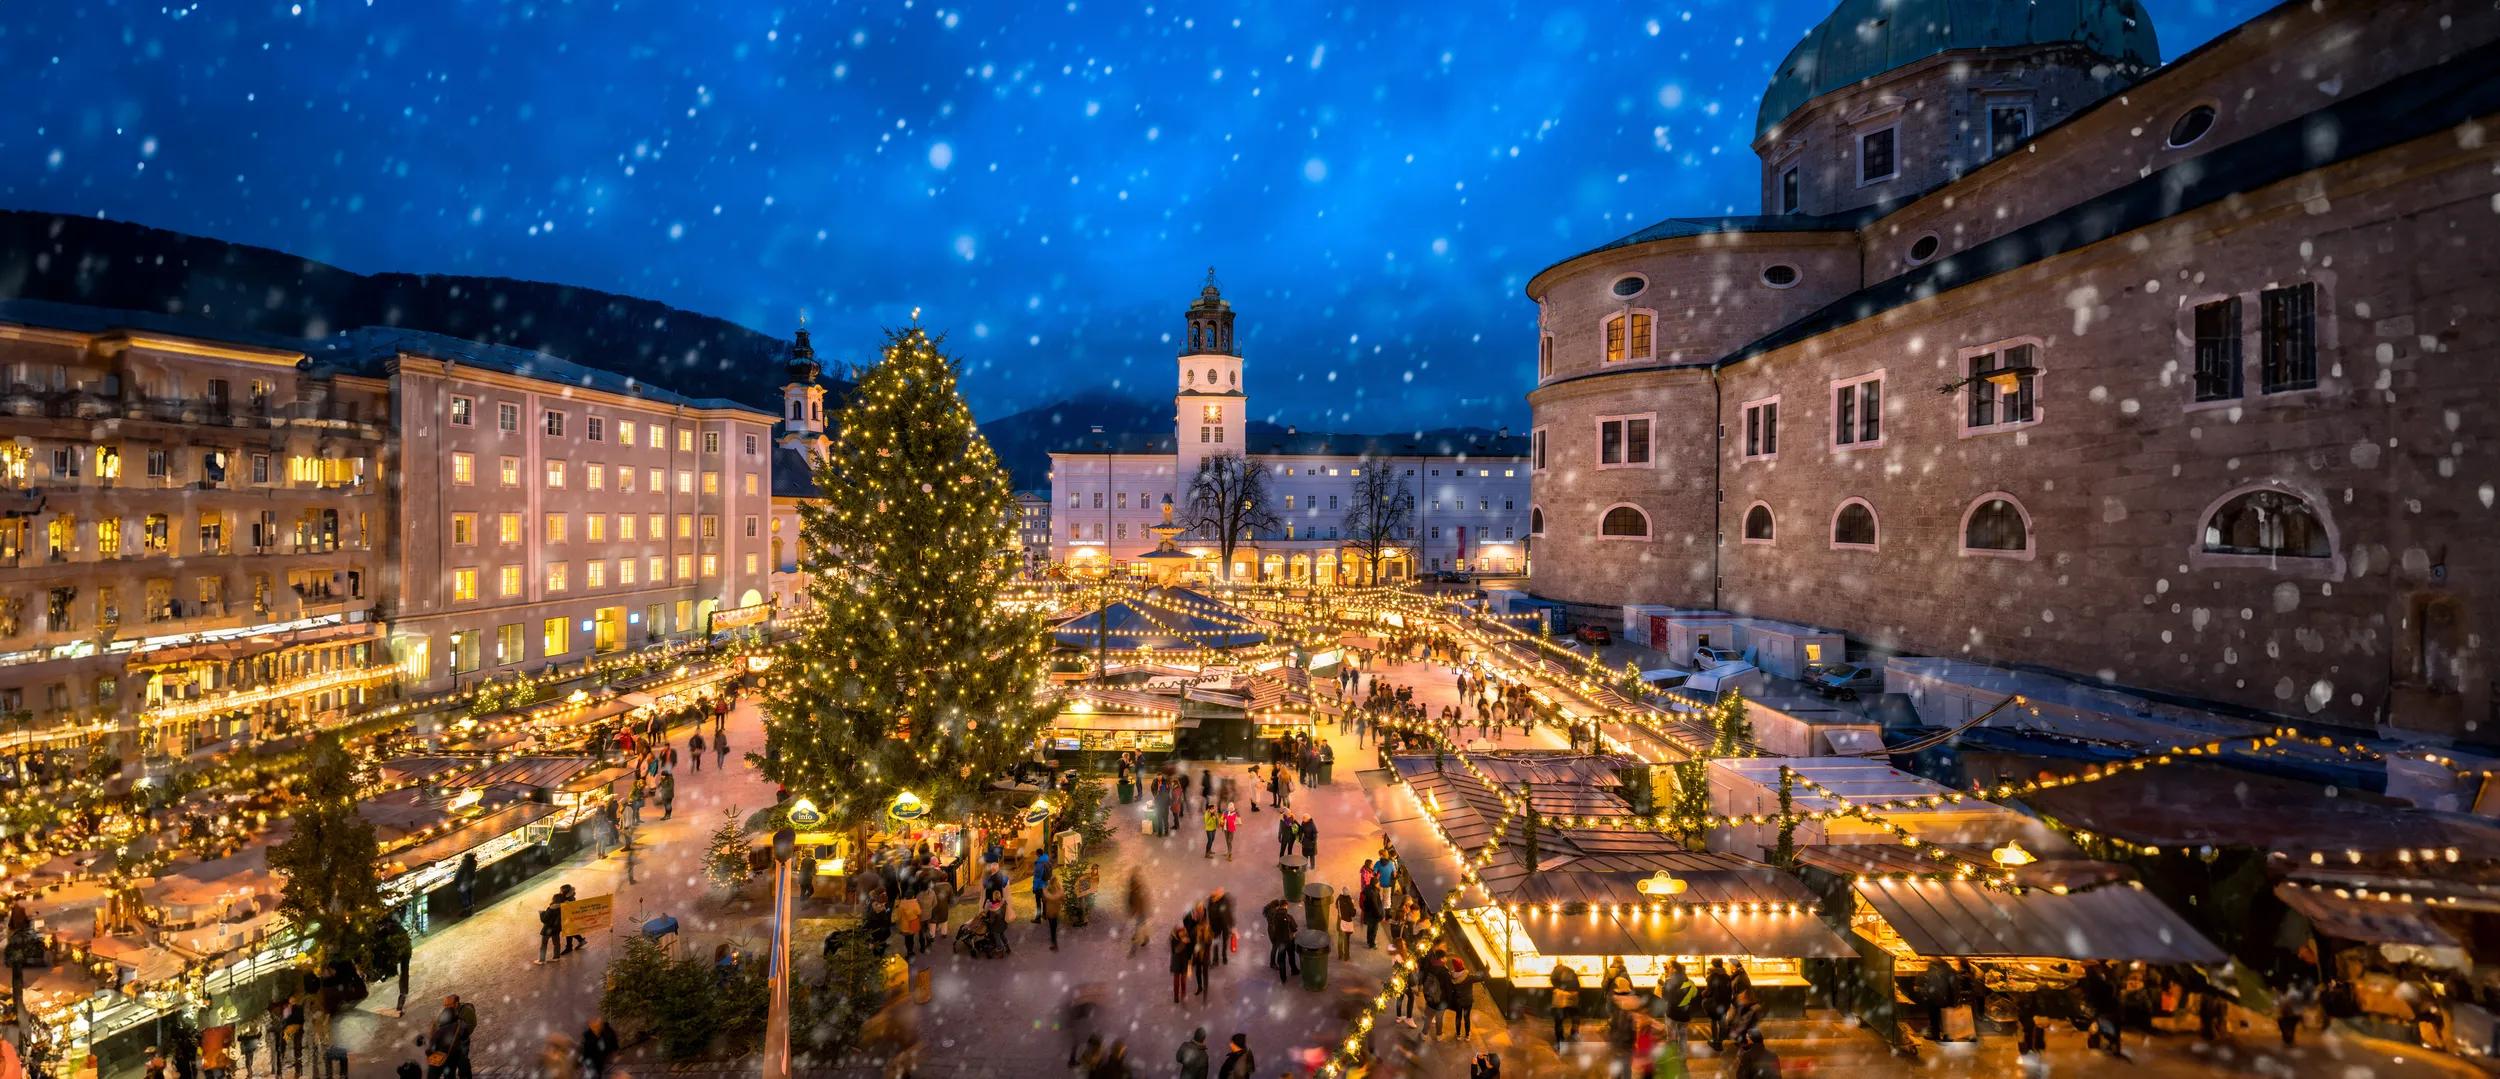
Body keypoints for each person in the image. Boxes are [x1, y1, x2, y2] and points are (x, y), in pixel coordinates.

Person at [1550, 959, 1582, 1045]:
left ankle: (1560, 1038)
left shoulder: (1555, 971)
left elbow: (1553, 981)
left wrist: (1559, 988)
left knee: (1559, 1018)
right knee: (1575, 1014)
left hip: (1561, 996)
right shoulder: (1569, 970)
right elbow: (1577, 983)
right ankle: (1574, 1033)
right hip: (1574, 993)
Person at [1207, 889, 1236, 966]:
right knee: (1215, 943)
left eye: (1220, 894)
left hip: (1225, 925)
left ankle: (1224, 956)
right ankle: (1215, 960)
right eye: (1217, 894)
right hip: (1215, 926)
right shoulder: (1211, 901)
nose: (1218, 895)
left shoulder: (1225, 901)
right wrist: (1210, 925)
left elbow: (1229, 914)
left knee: (1225, 942)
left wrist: (1232, 926)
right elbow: (1209, 914)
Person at [894, 889, 924, 960]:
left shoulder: (901, 904)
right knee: (911, 937)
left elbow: (898, 916)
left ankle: (909, 952)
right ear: (913, 896)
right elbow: (919, 913)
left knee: (907, 939)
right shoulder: (915, 903)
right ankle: (911, 951)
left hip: (905, 926)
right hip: (913, 925)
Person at [1168, 925, 1193, 1004]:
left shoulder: (1186, 937)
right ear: (1177, 932)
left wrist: (1190, 959)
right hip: (1176, 961)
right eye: (1180, 932)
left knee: (1183, 979)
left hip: (1184, 961)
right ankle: (1176, 996)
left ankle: (1183, 994)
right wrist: (1183, 942)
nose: (1182, 933)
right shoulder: (1173, 939)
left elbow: (1190, 950)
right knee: (1176, 979)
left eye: (1183, 932)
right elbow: (1176, 950)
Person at [1041, 875, 1066, 951]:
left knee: (1052, 927)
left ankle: (1054, 943)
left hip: (1050, 912)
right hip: (1056, 911)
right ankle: (1054, 940)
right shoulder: (1059, 889)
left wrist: (1044, 891)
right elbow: (1063, 898)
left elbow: (1044, 899)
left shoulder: (1048, 890)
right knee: (1054, 925)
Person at [1334, 891, 1356, 961]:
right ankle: (1346, 956)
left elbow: (1337, 906)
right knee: (1346, 940)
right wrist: (1353, 905)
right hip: (1346, 923)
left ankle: (1340, 955)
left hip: (1340, 921)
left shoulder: (1339, 899)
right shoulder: (1349, 902)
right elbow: (1353, 914)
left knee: (1340, 939)